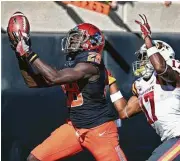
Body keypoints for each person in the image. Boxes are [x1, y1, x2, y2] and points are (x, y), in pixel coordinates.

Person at [7, 12, 127, 161]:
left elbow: (54, 77)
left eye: (77, 38)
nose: (72, 41)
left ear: (92, 42)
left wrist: (29, 53)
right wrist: (21, 56)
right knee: (34, 158)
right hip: (74, 128)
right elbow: (31, 82)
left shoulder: (91, 67)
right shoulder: (74, 66)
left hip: (99, 130)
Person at [108, 14, 180, 161]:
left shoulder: (172, 70)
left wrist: (148, 40)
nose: (141, 62)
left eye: (145, 57)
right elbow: (124, 112)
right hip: (170, 140)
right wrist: (110, 81)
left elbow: (161, 68)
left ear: (161, 55)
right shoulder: (142, 85)